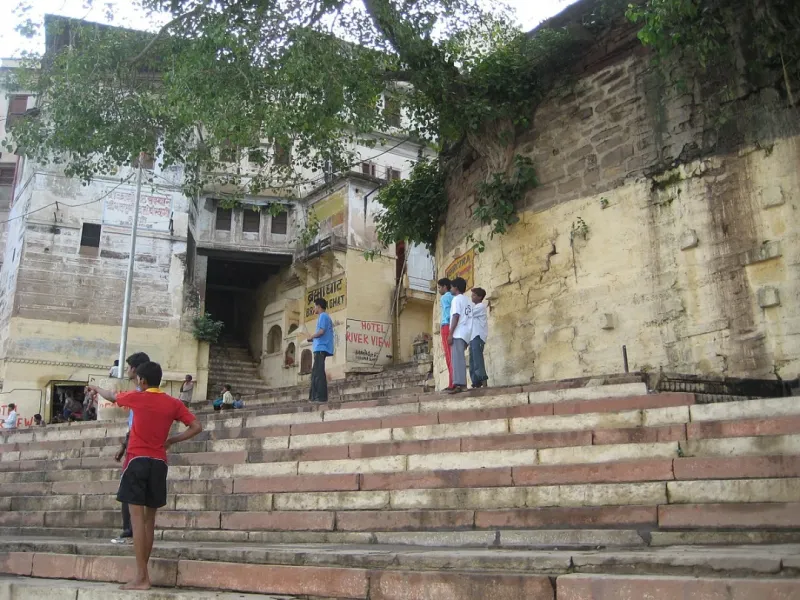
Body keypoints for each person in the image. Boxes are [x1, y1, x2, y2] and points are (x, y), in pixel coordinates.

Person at [90, 361, 202, 591]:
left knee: (136, 520)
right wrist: (171, 440)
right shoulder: (173, 403)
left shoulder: (136, 397)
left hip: (137, 461)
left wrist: (94, 387)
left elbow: (111, 395)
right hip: (159, 463)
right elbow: (196, 426)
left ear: (141, 380)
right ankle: (143, 574)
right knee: (150, 521)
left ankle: (142, 576)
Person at [111, 351, 151, 545]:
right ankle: (134, 531)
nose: (126, 370)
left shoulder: (139, 395)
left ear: (134, 370)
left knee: (129, 491)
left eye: (128, 367)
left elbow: (113, 398)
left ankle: (130, 530)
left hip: (138, 449)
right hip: (137, 446)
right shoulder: (144, 394)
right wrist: (123, 446)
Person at [447, 277, 472, 394]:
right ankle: (463, 384)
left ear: (455, 288)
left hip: (458, 332)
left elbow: (456, 316)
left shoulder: (456, 299)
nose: (450, 289)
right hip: (466, 332)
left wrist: (450, 333)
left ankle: (459, 384)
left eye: (451, 287)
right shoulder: (467, 301)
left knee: (456, 360)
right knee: (460, 359)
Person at [306, 297, 334, 403]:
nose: (314, 309)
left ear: (318, 306)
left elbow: (321, 331)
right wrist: (312, 339)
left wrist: (312, 336)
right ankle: (314, 397)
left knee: (318, 373)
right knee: (316, 373)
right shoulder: (325, 317)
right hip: (320, 348)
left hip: (321, 348)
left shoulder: (323, 316)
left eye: (314, 306)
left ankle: (320, 397)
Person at [469, 287, 489, 389]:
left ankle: (483, 381)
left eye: (474, 295)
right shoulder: (475, 306)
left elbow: (468, 314)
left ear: (480, 297)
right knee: (472, 362)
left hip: (478, 336)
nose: (472, 297)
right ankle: (476, 382)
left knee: (478, 360)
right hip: (472, 337)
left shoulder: (480, 306)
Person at [437, 278, 454, 390]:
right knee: (452, 355)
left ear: (444, 287)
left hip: (446, 326)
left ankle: (452, 383)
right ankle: (453, 381)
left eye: (439, 287)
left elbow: (447, 314)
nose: (439, 290)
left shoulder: (445, 297)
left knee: (449, 356)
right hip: (451, 326)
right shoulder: (454, 298)